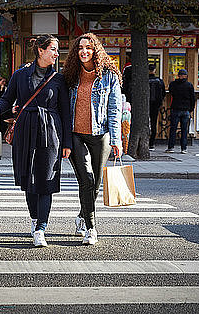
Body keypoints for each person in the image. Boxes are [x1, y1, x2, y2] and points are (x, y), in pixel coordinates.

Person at [0, 34, 72, 247]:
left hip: (51, 132)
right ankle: (35, 219)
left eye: (57, 49)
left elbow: (65, 112)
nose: (56, 53)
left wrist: (67, 143)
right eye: (52, 49)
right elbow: (7, 98)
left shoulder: (59, 80)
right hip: (25, 130)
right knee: (28, 181)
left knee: (47, 181)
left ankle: (41, 228)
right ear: (40, 50)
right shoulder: (20, 75)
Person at [62, 33, 122, 246]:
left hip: (100, 136)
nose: (84, 51)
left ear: (96, 50)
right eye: (80, 48)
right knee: (86, 180)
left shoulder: (110, 76)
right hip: (76, 135)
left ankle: (82, 214)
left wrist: (117, 140)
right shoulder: (70, 75)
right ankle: (91, 227)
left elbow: (115, 109)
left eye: (88, 47)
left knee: (94, 184)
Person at [166, 69, 195, 154]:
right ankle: (184, 148)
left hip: (176, 108)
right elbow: (192, 98)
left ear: (178, 76)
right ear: (186, 76)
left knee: (173, 129)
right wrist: (191, 109)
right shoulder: (189, 85)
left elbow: (171, 92)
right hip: (186, 110)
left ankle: (171, 147)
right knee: (184, 130)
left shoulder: (173, 84)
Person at [148, 64, 166, 150]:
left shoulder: (144, 80)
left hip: (146, 105)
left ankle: (144, 141)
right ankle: (151, 143)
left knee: (145, 123)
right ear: (155, 70)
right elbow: (163, 93)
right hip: (155, 105)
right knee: (154, 123)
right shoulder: (159, 81)